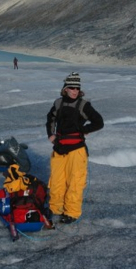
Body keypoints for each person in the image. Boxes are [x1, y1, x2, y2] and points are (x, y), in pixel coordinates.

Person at [45, 72, 104, 224]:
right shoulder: (58, 103)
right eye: (72, 88)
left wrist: (84, 130)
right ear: (65, 88)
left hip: (77, 150)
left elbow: (99, 122)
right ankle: (55, 208)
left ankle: (71, 213)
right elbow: (50, 118)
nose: (75, 91)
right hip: (59, 149)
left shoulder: (84, 105)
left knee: (75, 183)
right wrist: (51, 135)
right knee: (57, 182)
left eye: (77, 88)